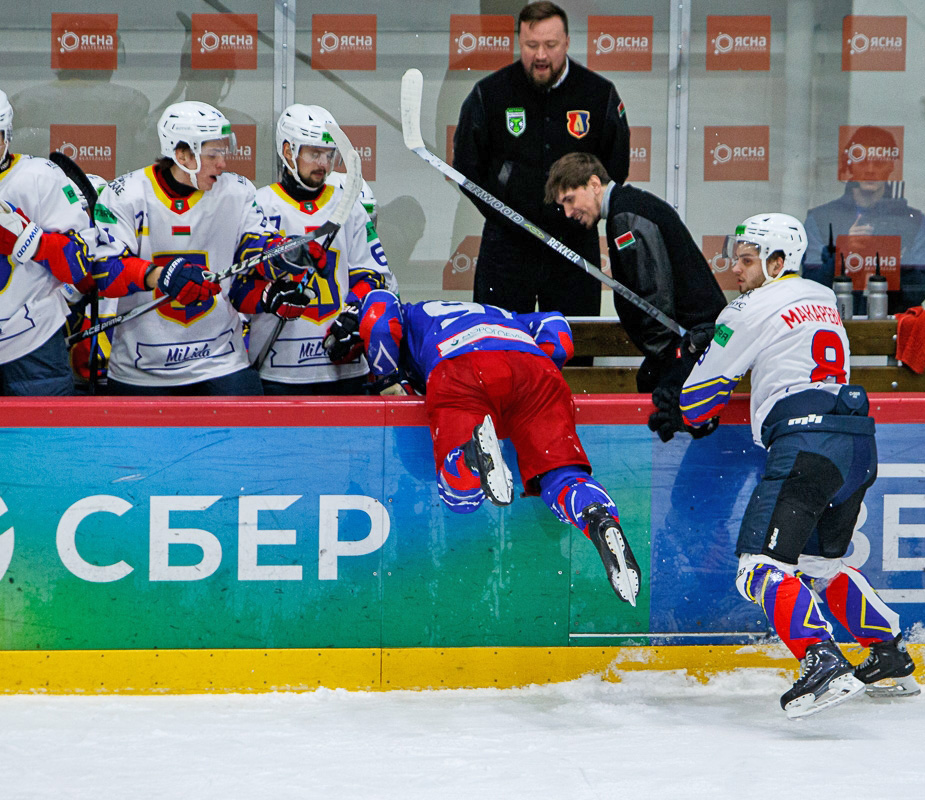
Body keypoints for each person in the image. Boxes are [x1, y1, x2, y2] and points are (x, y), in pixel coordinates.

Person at [678, 213, 918, 719]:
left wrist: (704, 351)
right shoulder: (824, 297)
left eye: (747, 260)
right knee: (820, 567)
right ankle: (888, 655)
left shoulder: (747, 307)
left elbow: (695, 405)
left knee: (758, 567)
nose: (736, 270)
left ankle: (822, 662)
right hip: (856, 443)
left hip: (806, 445)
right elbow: (790, 350)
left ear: (777, 262)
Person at [325, 291, 642, 607]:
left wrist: (388, 379)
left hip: (461, 365)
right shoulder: (503, 313)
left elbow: (379, 312)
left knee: (460, 498)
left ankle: (473, 457)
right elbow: (557, 331)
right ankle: (598, 517)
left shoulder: (409, 313)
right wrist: (536, 369)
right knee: (563, 477)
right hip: (533, 368)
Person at [90, 101, 326, 395]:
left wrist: (284, 252)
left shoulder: (237, 191)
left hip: (221, 362)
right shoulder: (124, 194)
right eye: (213, 154)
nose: (222, 164)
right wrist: (159, 276)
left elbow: (254, 248)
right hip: (141, 371)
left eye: (223, 153)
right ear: (182, 155)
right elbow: (104, 271)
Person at [0, 90, 190, 396]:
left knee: (49, 426)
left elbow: (80, 263)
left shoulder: (39, 177)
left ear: (7, 134)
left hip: (32, 341)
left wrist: (28, 240)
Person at [453, 1, 630, 319]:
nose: (541, 56)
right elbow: (466, 166)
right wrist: (502, 214)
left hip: (573, 248)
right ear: (519, 42)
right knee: (500, 342)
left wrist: (581, 212)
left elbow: (616, 165)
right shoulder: (490, 93)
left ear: (567, 43)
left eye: (551, 45)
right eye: (531, 45)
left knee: (574, 343)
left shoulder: (598, 94)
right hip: (506, 249)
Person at [545, 152, 727, 438]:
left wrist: (671, 363)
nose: (568, 213)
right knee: (649, 382)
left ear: (594, 184)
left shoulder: (626, 217)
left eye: (569, 199)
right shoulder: (629, 206)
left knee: (664, 411)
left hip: (692, 342)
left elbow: (654, 298)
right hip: (692, 338)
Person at [245, 104, 392, 395]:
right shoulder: (258, 206)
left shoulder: (350, 207)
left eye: (329, 154)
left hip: (342, 365)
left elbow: (373, 276)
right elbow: (241, 282)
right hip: (279, 368)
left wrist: (354, 313)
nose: (323, 163)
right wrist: (267, 296)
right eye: (314, 154)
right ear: (288, 152)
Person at [802, 125, 925, 315]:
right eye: (862, 161)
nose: (870, 169)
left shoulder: (914, 222)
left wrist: (891, 262)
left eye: (879, 162)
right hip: (833, 323)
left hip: (892, 326)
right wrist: (843, 251)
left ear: (891, 166)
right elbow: (811, 285)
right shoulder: (821, 219)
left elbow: (918, 291)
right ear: (850, 164)